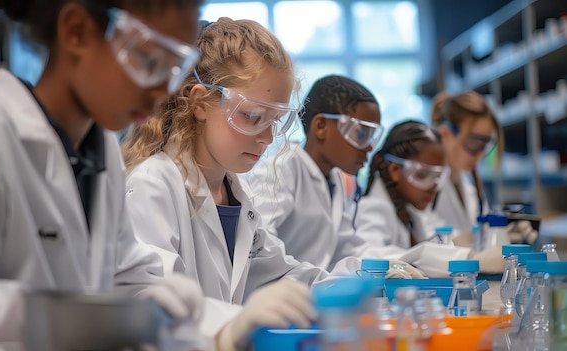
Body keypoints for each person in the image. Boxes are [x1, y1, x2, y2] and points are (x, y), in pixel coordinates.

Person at [0, 0, 206, 344]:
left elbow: (124, 272)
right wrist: (63, 316)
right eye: (149, 61)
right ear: (76, 32)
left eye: (172, 72)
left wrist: (154, 302)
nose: (160, 93)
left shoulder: (103, 152)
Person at [122, 18, 362, 351]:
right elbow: (150, 303)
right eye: (252, 116)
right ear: (201, 103)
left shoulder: (235, 193)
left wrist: (368, 277)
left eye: (275, 120)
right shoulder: (154, 186)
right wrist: (231, 324)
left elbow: (282, 276)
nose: (265, 138)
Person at [246, 75, 382, 271]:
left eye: (372, 137)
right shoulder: (281, 168)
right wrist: (318, 280)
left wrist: (400, 264)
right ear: (321, 126)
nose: (368, 148)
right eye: (361, 134)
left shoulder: (334, 178)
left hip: (311, 289)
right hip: (279, 293)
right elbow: (261, 246)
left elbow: (348, 249)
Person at [352, 120, 505, 276]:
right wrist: (469, 259)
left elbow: (431, 236)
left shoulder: (410, 209)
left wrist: (459, 241)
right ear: (396, 170)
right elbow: (368, 256)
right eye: (423, 175)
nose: (433, 187)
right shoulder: (373, 209)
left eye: (437, 176)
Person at [431, 91, 536, 245]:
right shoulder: (427, 187)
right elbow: (425, 240)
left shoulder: (470, 189)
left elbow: (481, 236)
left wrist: (502, 234)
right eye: (474, 143)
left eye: (484, 145)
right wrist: (466, 241)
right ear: (445, 133)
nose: (479, 154)